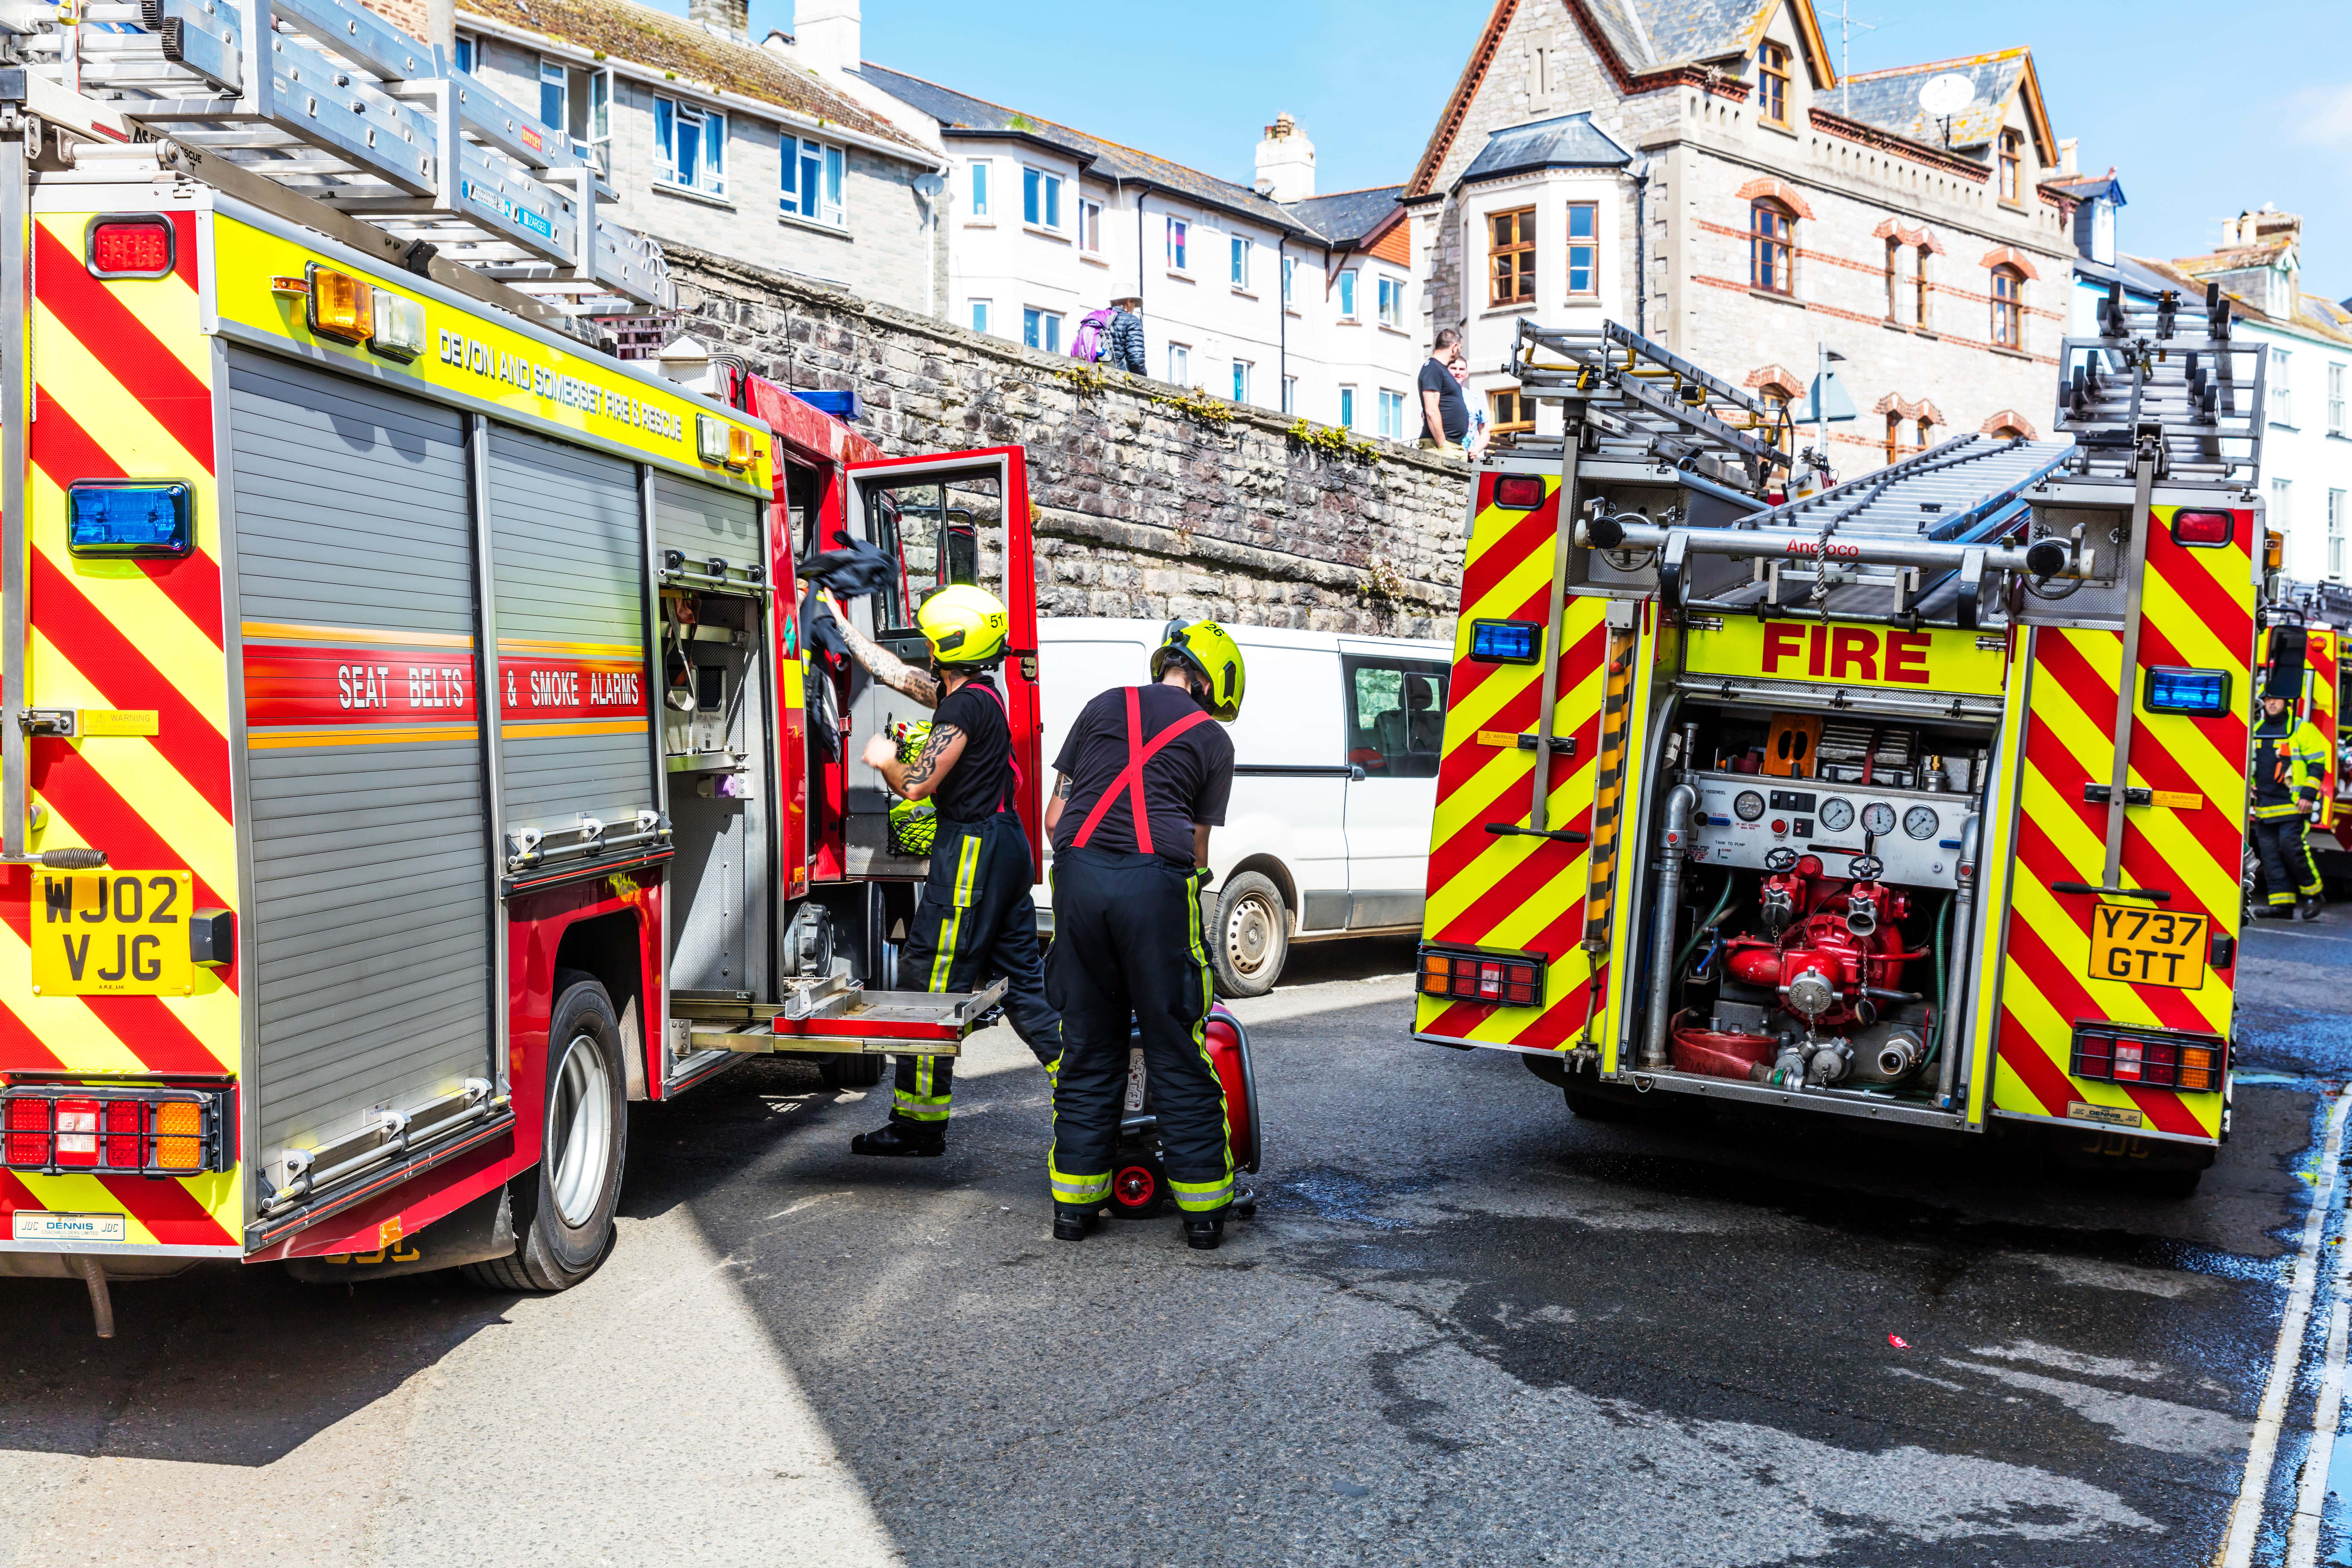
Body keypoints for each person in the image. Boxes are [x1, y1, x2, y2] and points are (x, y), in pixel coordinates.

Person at [1043, 620, 1242, 1249]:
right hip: (1156, 887)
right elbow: (1197, 849)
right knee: (1176, 1047)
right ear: (1209, 685)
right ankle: (1205, 1214)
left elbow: (1056, 815)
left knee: (1089, 1048)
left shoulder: (1101, 705)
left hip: (1077, 879)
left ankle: (1075, 1209)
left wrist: (1092, 870)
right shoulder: (1212, 740)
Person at [843, 585, 1061, 1154]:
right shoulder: (978, 694)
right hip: (1005, 845)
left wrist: (886, 758)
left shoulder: (963, 706)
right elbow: (902, 677)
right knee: (1025, 989)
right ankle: (1088, 1093)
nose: (927, 653)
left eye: (932, 642)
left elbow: (916, 786)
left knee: (928, 984)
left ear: (946, 645)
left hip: (971, 851)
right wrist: (843, 633)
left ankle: (918, 1125)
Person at [2250, 690, 2328, 921]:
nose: (2271, 703)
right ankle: (2282, 905)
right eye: (2267, 700)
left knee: (2291, 848)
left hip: (2293, 806)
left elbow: (2317, 765)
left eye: (2276, 699)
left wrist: (2308, 795)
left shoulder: (2301, 729)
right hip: (2264, 807)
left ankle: (2314, 895)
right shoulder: (2256, 731)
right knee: (2271, 856)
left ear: (2287, 702)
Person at [1417, 327, 1470, 453]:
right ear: (1455, 347)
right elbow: (1431, 410)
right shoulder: (1433, 369)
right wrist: (1443, 445)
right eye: (1461, 348)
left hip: (1453, 446)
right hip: (1439, 446)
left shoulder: (1441, 370)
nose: (1460, 352)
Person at [1106, 295, 1148, 376]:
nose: (1133, 309)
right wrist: (1144, 377)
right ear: (1129, 302)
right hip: (1118, 376)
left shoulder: (1100, 318)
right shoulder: (1132, 321)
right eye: (1135, 306)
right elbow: (1136, 361)